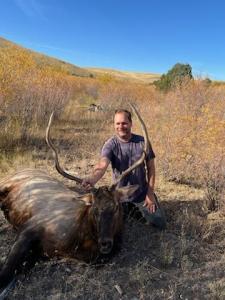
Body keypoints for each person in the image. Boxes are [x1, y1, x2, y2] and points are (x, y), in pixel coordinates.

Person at [82, 109, 166, 229]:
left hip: (141, 194)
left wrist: (150, 193)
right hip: (119, 196)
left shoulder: (143, 142)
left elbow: (151, 168)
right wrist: (92, 179)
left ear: (131, 123)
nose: (121, 126)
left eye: (124, 123)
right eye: (117, 123)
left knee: (159, 224)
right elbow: (102, 165)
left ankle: (135, 211)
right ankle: (130, 212)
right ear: (114, 125)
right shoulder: (110, 145)